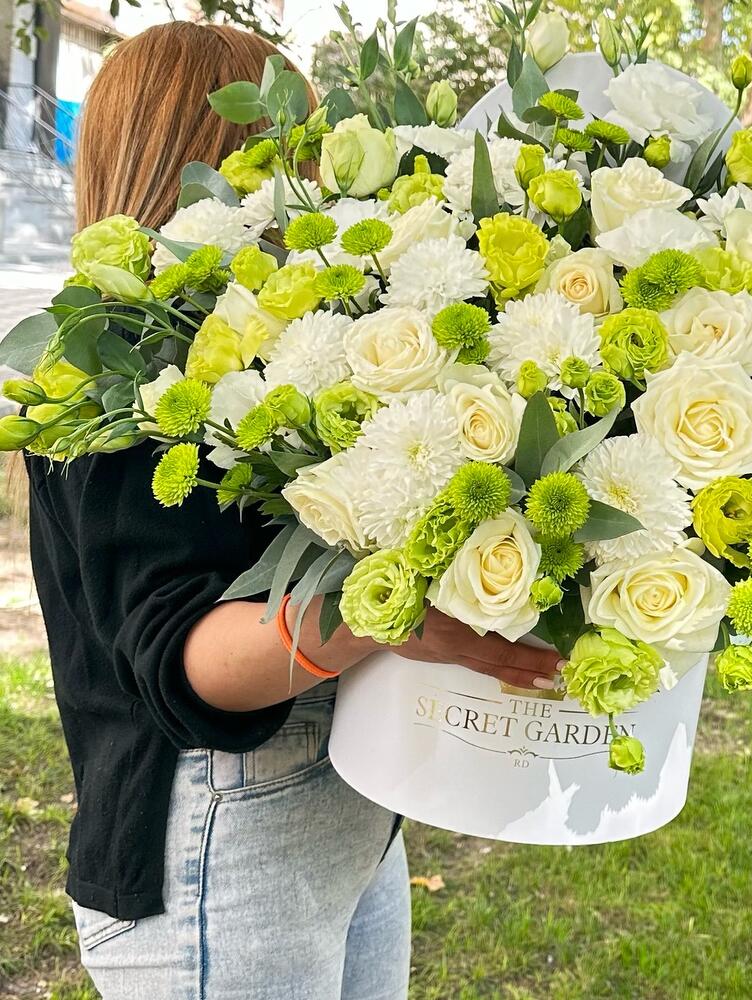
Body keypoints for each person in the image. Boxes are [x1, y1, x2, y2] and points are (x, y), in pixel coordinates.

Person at [24, 21, 560, 1000]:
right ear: (227, 157)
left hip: (334, 817)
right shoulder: (123, 372)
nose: (310, 165)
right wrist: (395, 608)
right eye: (291, 143)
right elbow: (192, 658)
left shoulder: (269, 336)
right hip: (213, 853)